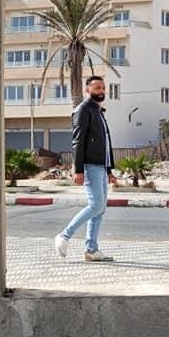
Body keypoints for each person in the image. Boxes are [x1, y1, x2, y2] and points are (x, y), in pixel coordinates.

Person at [55, 75, 117, 261]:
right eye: (97, 88)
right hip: (89, 166)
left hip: (101, 166)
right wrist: (78, 169)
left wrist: (109, 170)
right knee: (96, 205)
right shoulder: (83, 110)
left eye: (103, 88)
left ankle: (91, 250)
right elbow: (78, 141)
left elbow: (105, 143)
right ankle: (64, 236)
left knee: (100, 208)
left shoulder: (98, 111)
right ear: (87, 90)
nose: (101, 91)